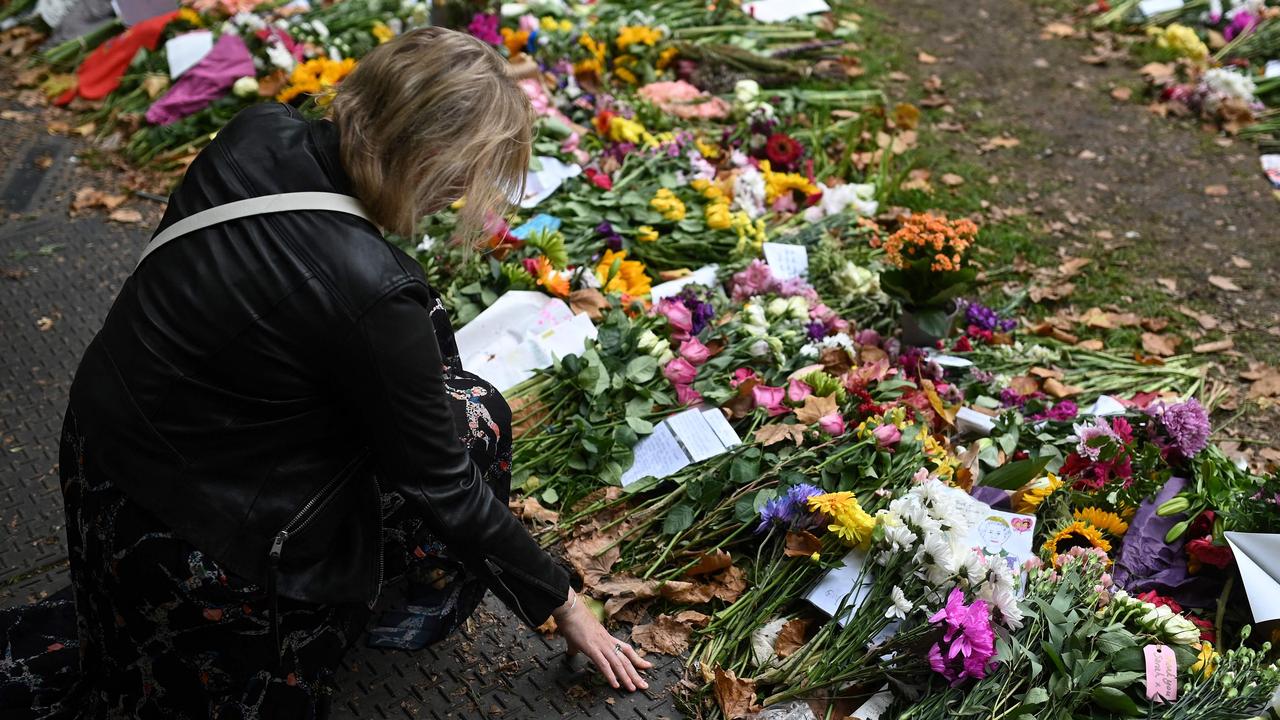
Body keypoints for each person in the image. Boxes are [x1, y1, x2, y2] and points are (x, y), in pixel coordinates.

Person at [0, 26, 650, 718]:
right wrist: (563, 601)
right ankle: (326, 618)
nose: (464, 199)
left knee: (449, 406)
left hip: (100, 454)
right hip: (200, 550)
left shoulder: (257, 131)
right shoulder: (370, 288)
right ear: (424, 157)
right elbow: (443, 486)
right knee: (472, 422)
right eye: (464, 176)